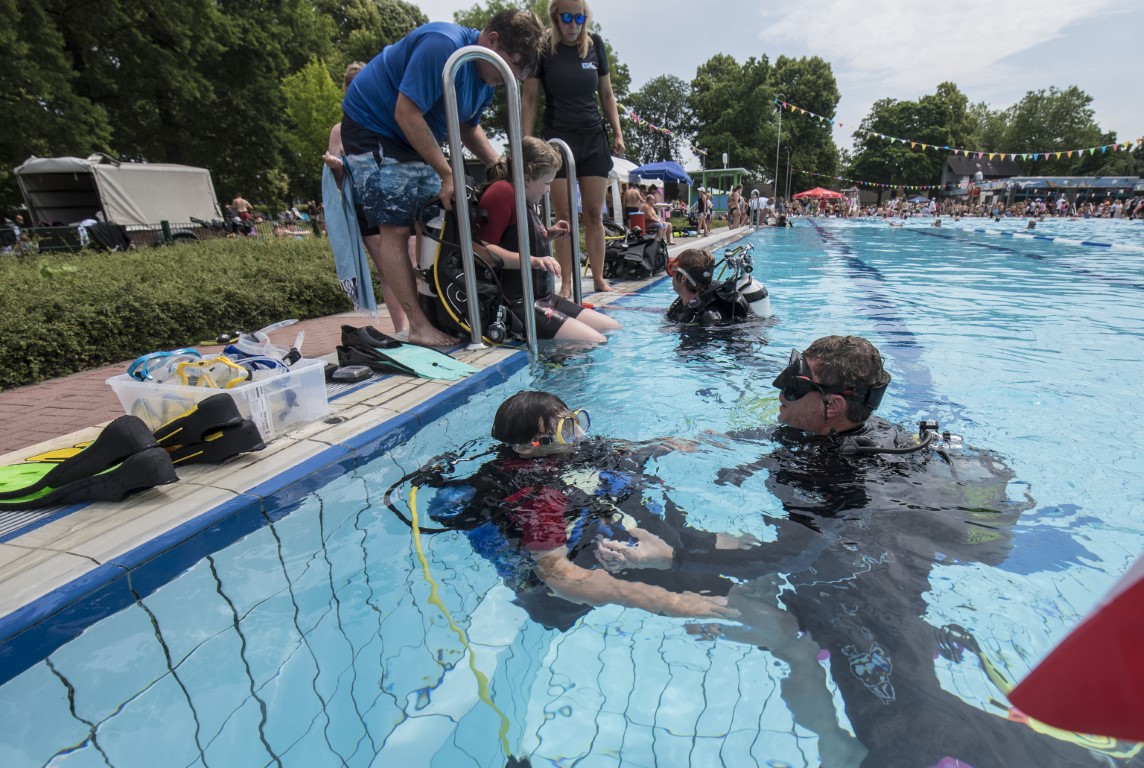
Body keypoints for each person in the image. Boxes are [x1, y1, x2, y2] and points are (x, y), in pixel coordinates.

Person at [601, 335, 1108, 766]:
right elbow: (768, 441)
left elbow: (790, 556)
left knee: (901, 728)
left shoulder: (838, 476)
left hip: (870, 594)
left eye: (793, 385)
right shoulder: (865, 434)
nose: (779, 390)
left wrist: (673, 559)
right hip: (875, 564)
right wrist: (670, 446)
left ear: (833, 405)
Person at [406, 391, 739, 630]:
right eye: (566, 430)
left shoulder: (568, 453)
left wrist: (675, 444)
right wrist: (670, 602)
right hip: (560, 590)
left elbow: (623, 453)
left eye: (576, 421)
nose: (580, 434)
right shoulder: (534, 496)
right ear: (527, 447)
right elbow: (560, 577)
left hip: (592, 524)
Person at [340, 10, 544, 347]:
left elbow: (467, 127)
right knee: (396, 227)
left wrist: (498, 164)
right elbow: (406, 112)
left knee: (432, 223)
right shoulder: (443, 46)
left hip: (413, 135)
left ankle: (434, 314)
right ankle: (418, 325)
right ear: (492, 40)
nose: (505, 78)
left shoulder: (485, 77)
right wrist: (447, 172)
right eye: (508, 68)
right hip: (374, 126)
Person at [473, 137, 621, 342]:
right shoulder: (502, 193)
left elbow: (514, 239)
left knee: (613, 328)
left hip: (543, 298)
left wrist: (548, 234)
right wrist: (533, 261)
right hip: (516, 303)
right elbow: (480, 251)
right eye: (547, 182)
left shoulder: (523, 198)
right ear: (527, 178)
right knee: (594, 341)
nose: (548, 189)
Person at [522, 0, 624, 296]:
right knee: (564, 215)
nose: (573, 25)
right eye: (567, 17)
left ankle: (599, 277)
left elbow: (607, 93)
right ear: (555, 16)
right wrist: (525, 141)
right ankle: (566, 281)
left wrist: (618, 133)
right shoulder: (543, 48)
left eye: (579, 18)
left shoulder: (595, 45)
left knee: (593, 213)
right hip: (558, 139)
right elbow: (530, 97)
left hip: (592, 137)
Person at [323, 61, 408, 335]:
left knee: (412, 264)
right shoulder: (340, 130)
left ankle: (422, 321)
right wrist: (336, 167)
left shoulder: (388, 118)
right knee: (386, 269)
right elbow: (339, 179)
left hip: (395, 201)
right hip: (365, 206)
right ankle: (401, 328)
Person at [665, 248, 754, 327]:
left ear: (683, 278)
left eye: (673, 270)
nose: (672, 276)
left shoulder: (707, 316)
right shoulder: (694, 298)